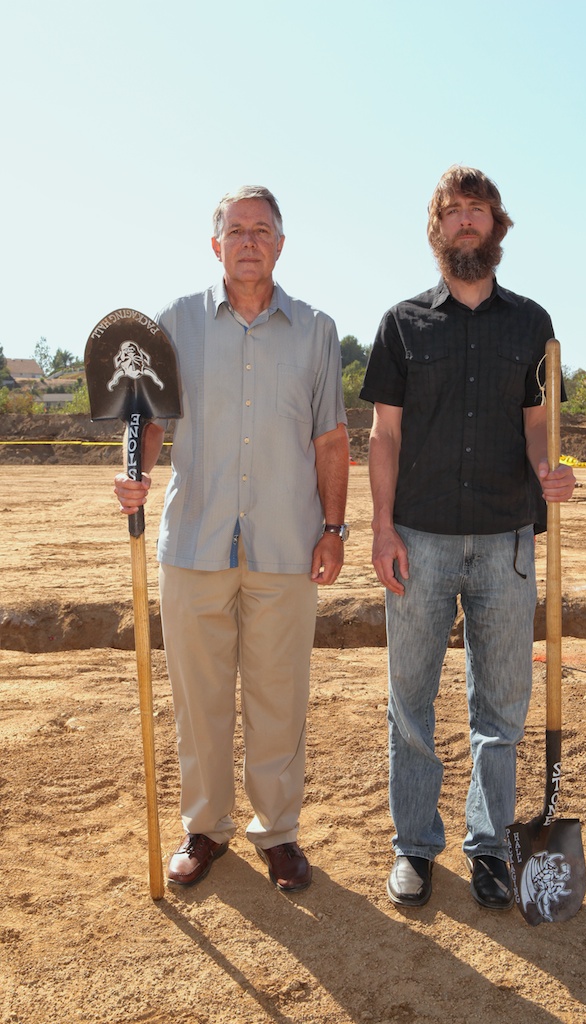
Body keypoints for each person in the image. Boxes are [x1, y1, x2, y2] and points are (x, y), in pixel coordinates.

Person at [114, 186, 349, 892]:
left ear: (280, 244)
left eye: (262, 230)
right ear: (215, 243)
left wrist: (334, 529)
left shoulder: (316, 330)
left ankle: (276, 833)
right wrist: (136, 475)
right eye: (236, 229)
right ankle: (204, 829)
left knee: (280, 697)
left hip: (286, 544)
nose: (249, 240)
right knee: (200, 698)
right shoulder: (173, 323)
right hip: (193, 543)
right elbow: (148, 421)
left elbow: (331, 440)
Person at [359, 165, 575, 911]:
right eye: (452, 212)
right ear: (436, 229)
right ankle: (415, 848)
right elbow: (383, 435)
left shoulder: (532, 325)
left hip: (508, 540)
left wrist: (551, 471)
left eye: (476, 210)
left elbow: (537, 426)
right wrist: (382, 527)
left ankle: (488, 848)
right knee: (410, 701)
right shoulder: (400, 323)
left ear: (496, 226)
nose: (464, 222)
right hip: (418, 540)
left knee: (500, 707)